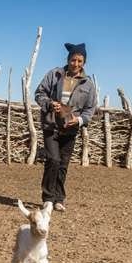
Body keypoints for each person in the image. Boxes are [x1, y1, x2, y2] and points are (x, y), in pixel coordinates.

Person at [34, 42, 97, 211]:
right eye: (73, 60)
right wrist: (49, 103)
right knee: (53, 160)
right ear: (68, 59)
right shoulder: (54, 75)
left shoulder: (88, 85)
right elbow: (39, 93)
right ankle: (48, 197)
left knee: (63, 164)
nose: (76, 64)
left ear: (84, 63)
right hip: (51, 125)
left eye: (80, 61)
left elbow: (90, 109)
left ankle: (59, 198)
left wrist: (80, 120)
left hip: (70, 129)